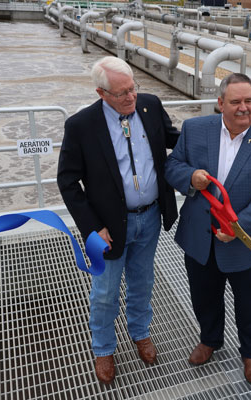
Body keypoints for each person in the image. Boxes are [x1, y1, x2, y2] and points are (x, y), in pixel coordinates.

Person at [57, 56, 179, 384]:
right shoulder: (81, 126)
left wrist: (218, 131)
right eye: (122, 93)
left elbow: (175, 140)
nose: (131, 98)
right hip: (109, 227)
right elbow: (67, 181)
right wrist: (93, 227)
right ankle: (103, 349)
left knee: (143, 282)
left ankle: (139, 333)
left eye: (133, 89)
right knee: (105, 292)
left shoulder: (150, 105)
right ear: (101, 92)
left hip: (150, 217)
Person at [164, 73, 251, 385]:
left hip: (246, 242)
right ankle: (210, 339)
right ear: (221, 104)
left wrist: (238, 228)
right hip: (200, 238)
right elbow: (172, 167)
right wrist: (191, 177)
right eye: (235, 101)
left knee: (250, 302)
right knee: (203, 296)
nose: (244, 108)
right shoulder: (194, 129)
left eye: (249, 101)